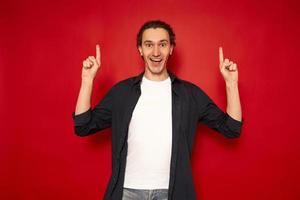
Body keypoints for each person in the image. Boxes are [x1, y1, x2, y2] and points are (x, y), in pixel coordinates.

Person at [72, 20, 243, 200]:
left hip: (172, 193)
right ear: (140, 49)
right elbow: (83, 126)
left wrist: (231, 84)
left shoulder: (189, 94)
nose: (155, 52)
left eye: (162, 44)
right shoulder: (122, 92)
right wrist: (87, 80)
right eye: (148, 45)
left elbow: (231, 129)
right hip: (127, 192)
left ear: (170, 49)